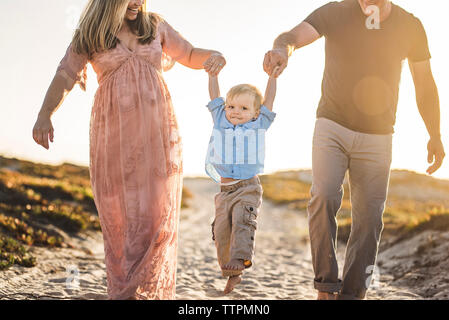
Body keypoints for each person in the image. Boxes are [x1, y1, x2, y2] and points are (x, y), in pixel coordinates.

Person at [32, 0, 226, 300]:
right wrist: (45, 113)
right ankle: (127, 292)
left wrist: (212, 56)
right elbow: (65, 74)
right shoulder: (91, 34)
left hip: (158, 135)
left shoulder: (154, 26)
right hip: (114, 137)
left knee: (157, 215)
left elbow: (187, 54)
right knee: (121, 220)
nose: (138, 2)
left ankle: (143, 292)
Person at [264, 0, 445, 300]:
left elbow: (424, 84)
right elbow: (292, 37)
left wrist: (435, 134)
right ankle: (325, 286)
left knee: (370, 218)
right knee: (323, 196)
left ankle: (352, 294)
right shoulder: (335, 12)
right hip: (332, 127)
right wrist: (283, 49)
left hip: (378, 137)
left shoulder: (411, 26)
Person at [204, 65, 281, 294]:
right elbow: (214, 97)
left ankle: (240, 260)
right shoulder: (220, 120)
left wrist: (272, 78)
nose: (235, 111)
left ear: (256, 112)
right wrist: (213, 75)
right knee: (221, 232)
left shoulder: (259, 125)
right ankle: (232, 275)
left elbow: (269, 101)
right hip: (224, 191)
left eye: (244, 108)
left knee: (242, 222)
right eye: (231, 106)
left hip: (248, 187)